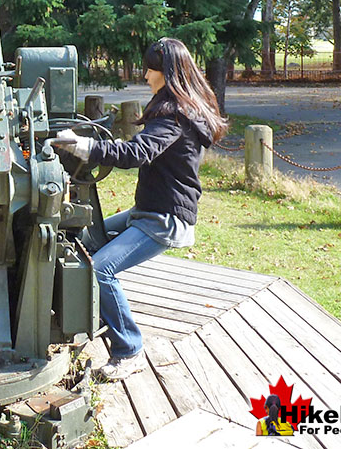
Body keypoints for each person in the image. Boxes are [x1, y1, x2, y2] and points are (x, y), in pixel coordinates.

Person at [54, 37, 227, 381]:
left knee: (98, 270)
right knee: (85, 242)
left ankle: (128, 350)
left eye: (151, 69)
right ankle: (96, 319)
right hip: (148, 211)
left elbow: (137, 153)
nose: (146, 75)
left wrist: (86, 146)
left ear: (168, 73)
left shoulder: (176, 115)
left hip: (165, 219)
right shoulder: (174, 106)